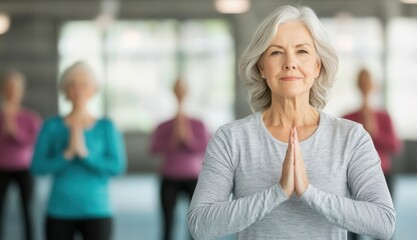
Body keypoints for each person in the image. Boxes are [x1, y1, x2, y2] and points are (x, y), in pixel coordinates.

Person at [187, 5, 395, 240]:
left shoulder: (351, 137)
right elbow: (199, 225)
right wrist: (276, 193)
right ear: (261, 67)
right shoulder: (231, 139)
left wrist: (310, 193)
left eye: (302, 51)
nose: (290, 63)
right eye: (276, 52)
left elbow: (384, 222)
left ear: (318, 66)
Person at [30, 62, 127, 240]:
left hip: (97, 210)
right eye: (71, 85)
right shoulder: (51, 126)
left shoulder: (106, 127)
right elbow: (36, 167)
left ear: (93, 90)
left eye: (83, 85)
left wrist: (85, 155)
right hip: (59, 210)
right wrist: (66, 155)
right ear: (64, 90)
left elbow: (117, 167)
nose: (77, 90)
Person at [343, 68, 402, 240]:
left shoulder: (384, 117)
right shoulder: (347, 117)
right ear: (357, 85)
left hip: (382, 175)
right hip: (351, 178)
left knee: (382, 227)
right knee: (351, 227)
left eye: (368, 81)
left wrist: (374, 132)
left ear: (374, 85)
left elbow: (395, 146)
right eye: (362, 81)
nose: (365, 85)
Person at [150, 78, 210, 240]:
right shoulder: (164, 125)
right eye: (178, 89)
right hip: (169, 177)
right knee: (168, 224)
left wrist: (188, 139)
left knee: (195, 225)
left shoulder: (198, 124)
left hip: (194, 178)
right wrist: (172, 142)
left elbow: (206, 149)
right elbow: (153, 148)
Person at [0, 70, 41, 240]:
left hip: (25, 168)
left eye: (15, 89)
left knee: (27, 209)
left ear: (21, 92)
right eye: (8, 88)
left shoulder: (31, 117)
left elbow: (34, 142)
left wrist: (15, 132)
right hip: (1, 168)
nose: (12, 92)